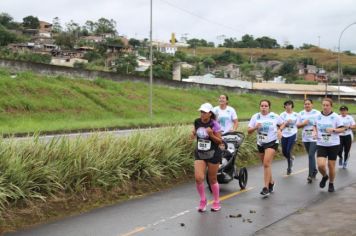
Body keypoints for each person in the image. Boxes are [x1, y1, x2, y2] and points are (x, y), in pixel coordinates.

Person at [248, 99, 283, 196]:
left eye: (266, 106)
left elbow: (283, 123)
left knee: (266, 163)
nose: (263, 108)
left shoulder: (274, 116)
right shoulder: (255, 116)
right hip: (260, 143)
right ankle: (271, 182)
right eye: (262, 106)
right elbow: (249, 131)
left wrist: (280, 130)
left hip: (272, 141)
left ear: (269, 107)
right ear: (260, 107)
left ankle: (266, 187)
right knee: (265, 165)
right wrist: (255, 127)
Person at [192, 103, 223, 212]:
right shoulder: (197, 122)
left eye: (204, 112)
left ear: (210, 114)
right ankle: (203, 200)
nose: (202, 114)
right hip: (200, 153)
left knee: (212, 179)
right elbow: (196, 133)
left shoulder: (215, 124)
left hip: (213, 154)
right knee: (198, 178)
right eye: (201, 112)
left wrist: (211, 135)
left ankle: (216, 201)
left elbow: (220, 141)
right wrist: (193, 135)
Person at [314, 98, 344, 192]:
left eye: (327, 105)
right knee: (320, 165)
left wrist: (334, 130)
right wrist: (315, 132)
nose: (325, 107)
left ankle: (331, 183)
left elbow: (342, 129)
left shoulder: (336, 117)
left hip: (333, 144)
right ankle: (325, 176)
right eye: (324, 105)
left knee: (331, 165)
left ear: (331, 106)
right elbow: (315, 125)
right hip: (321, 143)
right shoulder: (318, 116)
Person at [297, 99, 321, 183]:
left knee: (311, 155)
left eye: (309, 104)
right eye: (305, 104)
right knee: (310, 155)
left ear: (312, 105)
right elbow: (297, 125)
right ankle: (314, 170)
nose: (307, 105)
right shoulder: (301, 113)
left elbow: (321, 124)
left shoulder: (317, 113)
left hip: (314, 137)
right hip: (305, 137)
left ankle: (310, 175)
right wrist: (303, 123)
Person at [279, 100, 299, 175]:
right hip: (284, 134)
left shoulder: (296, 115)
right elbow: (279, 124)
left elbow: (298, 124)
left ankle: (289, 167)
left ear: (292, 106)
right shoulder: (282, 115)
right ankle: (291, 157)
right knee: (284, 152)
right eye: (286, 105)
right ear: (284, 106)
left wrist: (293, 122)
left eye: (289, 105)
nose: (288, 106)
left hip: (293, 133)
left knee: (288, 150)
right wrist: (285, 123)